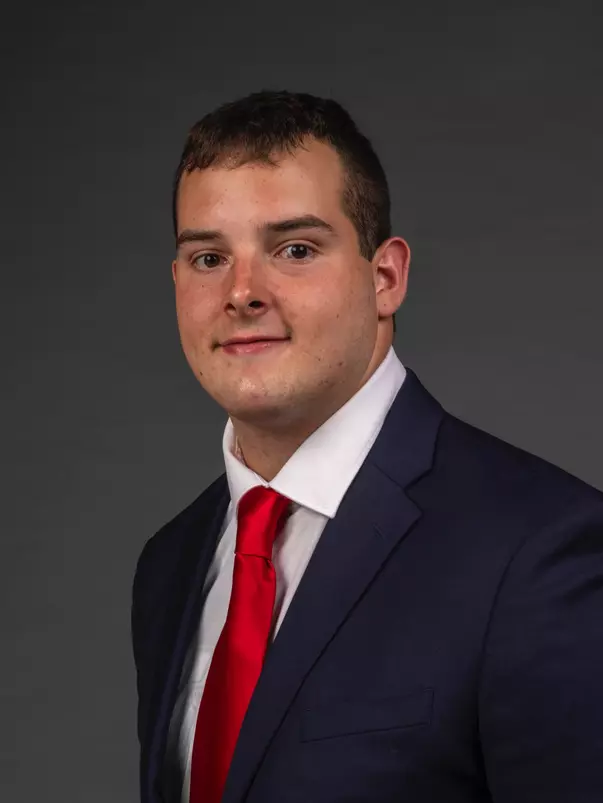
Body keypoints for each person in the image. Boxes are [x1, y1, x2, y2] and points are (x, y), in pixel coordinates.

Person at [130, 90, 603, 803]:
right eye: (207, 257)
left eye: (294, 248)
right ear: (176, 282)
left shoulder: (539, 550)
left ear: (385, 278)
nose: (241, 292)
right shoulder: (170, 562)